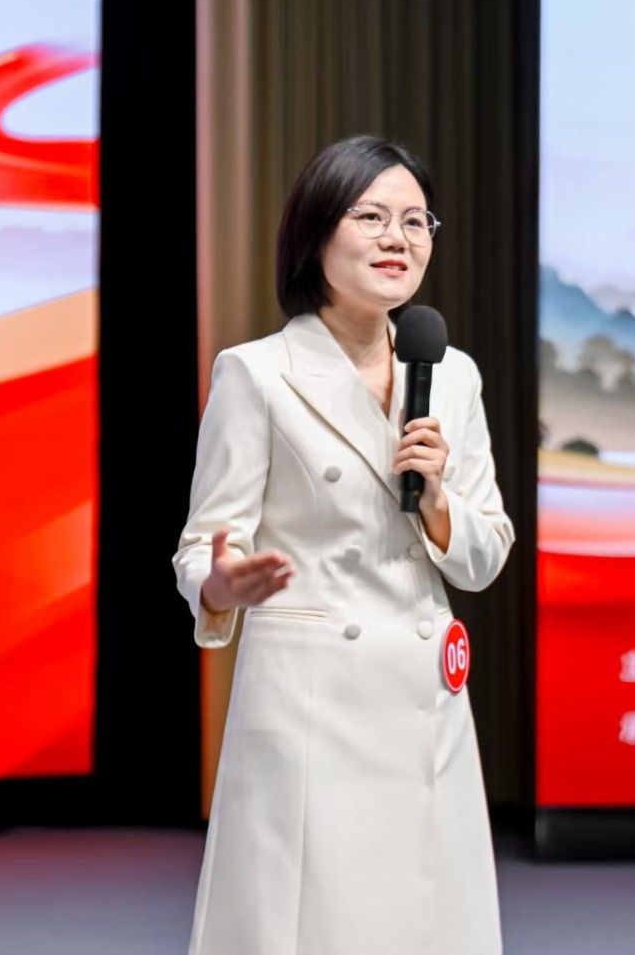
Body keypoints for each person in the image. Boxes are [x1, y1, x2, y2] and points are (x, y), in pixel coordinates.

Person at [172, 135, 515, 954]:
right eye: (371, 217)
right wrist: (222, 584)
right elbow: (201, 548)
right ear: (317, 233)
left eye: (416, 222)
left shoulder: (452, 375)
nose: (398, 239)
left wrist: (438, 501)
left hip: (424, 698)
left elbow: (486, 553)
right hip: (311, 705)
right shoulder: (257, 373)